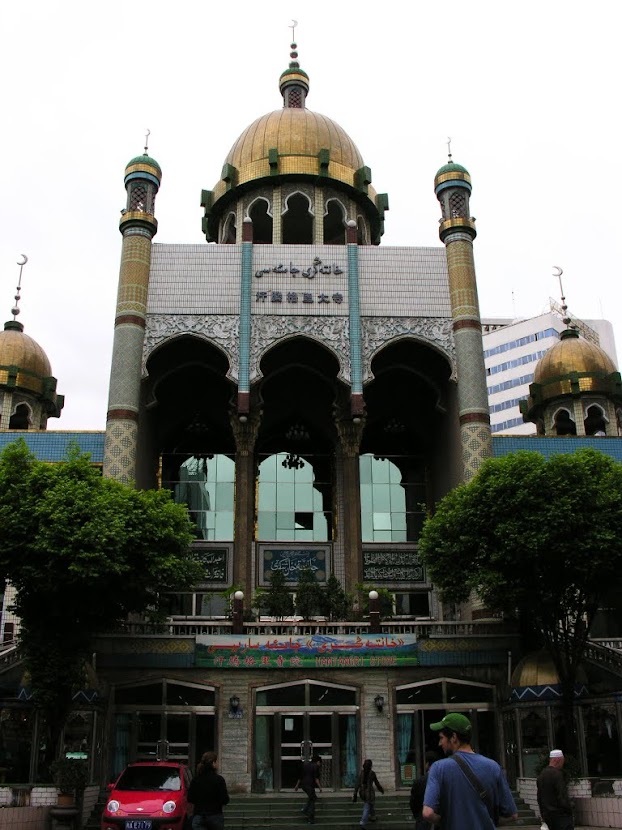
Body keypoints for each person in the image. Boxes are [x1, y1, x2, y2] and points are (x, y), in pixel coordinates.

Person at [422, 712, 518, 829]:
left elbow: (427, 813)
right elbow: (512, 815)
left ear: (454, 737)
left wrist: (446, 821)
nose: (439, 743)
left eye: (442, 738)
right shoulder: (493, 767)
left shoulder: (438, 768)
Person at [187, 751, 230, 830]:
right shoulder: (219, 780)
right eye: (217, 762)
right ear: (213, 763)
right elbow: (225, 800)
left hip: (199, 816)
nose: (218, 764)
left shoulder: (196, 780)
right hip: (215, 816)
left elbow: (190, 798)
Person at [537, 749, 574, 830]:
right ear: (557, 760)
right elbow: (562, 796)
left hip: (548, 816)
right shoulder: (557, 775)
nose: (562, 764)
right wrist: (569, 809)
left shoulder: (541, 775)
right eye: (562, 761)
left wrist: (543, 814)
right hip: (561, 816)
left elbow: (539, 797)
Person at [410, 751, 438, 830]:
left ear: (427, 764)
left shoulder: (419, 782)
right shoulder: (444, 780)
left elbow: (413, 803)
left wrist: (419, 816)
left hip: (423, 820)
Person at [353, 758, 384, 828]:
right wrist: (381, 789)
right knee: (367, 806)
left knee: (370, 804)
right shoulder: (372, 773)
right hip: (369, 793)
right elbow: (376, 783)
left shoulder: (362, 773)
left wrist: (355, 793)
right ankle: (362, 822)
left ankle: (373, 816)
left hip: (362, 792)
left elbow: (357, 784)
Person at [295, 753, 322, 824]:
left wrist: (297, 785)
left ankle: (305, 809)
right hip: (309, 785)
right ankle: (310, 817)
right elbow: (316, 779)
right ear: (317, 762)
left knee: (312, 798)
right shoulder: (315, 767)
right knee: (312, 801)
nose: (320, 765)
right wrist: (320, 788)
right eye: (320, 763)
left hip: (304, 785)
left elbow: (300, 776)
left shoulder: (305, 765)